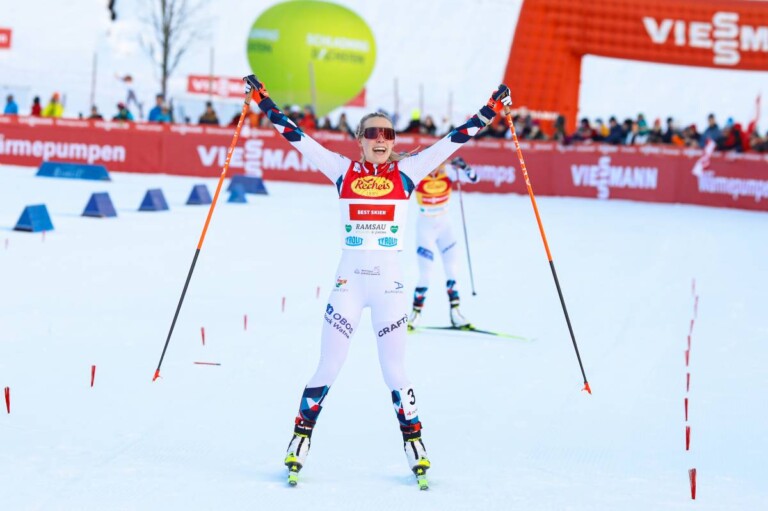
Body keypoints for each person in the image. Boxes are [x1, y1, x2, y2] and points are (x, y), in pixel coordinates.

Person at [243, 73, 511, 488]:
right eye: (372, 133)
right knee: (328, 365)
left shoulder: (410, 170)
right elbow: (295, 136)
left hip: (389, 290)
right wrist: (262, 99)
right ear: (360, 139)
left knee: (395, 371)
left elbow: (456, 138)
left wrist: (492, 108)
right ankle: (300, 438)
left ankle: (415, 445)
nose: (381, 139)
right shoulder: (341, 170)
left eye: (387, 132)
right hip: (348, 286)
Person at [408, 156, 478, 331]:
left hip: (445, 227)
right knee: (426, 273)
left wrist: (464, 166)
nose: (435, 169)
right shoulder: (418, 174)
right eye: (431, 164)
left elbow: (474, 178)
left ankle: (456, 313)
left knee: (452, 270)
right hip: (425, 228)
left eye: (438, 164)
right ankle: (415, 315)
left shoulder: (449, 172)